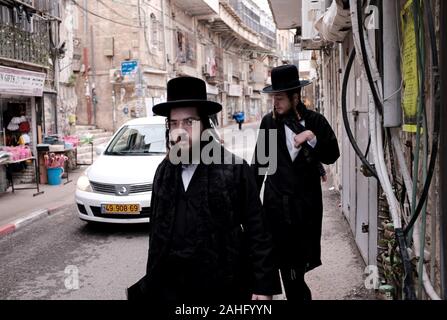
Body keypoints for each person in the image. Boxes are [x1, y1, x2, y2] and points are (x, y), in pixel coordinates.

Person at [127, 76, 281, 304]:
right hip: (172, 287)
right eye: (174, 123)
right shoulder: (164, 170)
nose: (180, 131)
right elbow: (157, 235)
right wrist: (153, 280)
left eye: (189, 122)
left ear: (205, 125)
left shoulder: (235, 169)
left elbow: (257, 230)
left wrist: (263, 284)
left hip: (222, 286)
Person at [251, 65, 340, 300]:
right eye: (273, 98)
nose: (275, 103)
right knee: (283, 270)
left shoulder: (314, 121)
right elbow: (261, 166)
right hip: (275, 208)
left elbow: (332, 154)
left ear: (295, 96)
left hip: (304, 211)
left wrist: (312, 138)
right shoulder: (269, 123)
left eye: (279, 98)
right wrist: (247, 203)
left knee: (295, 273)